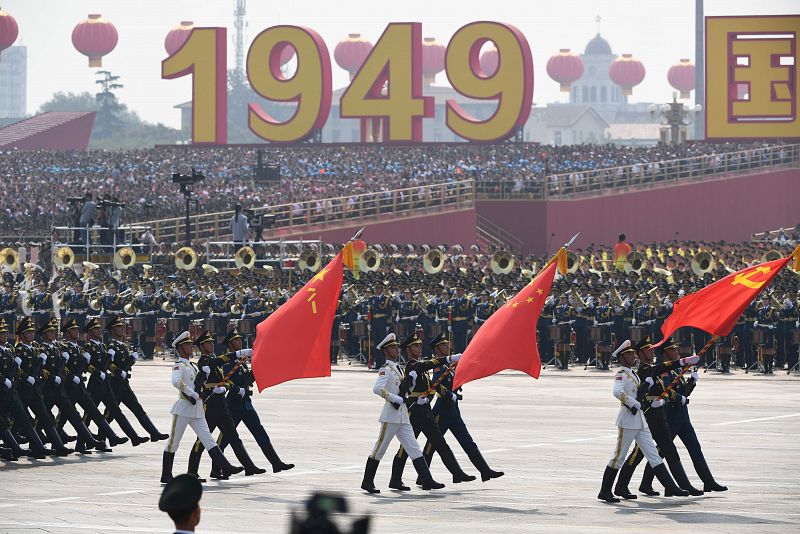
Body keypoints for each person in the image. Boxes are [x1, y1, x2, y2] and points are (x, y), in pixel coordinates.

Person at [612, 337, 704, 498]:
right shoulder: (643, 370)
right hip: (647, 416)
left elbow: (663, 388)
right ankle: (621, 486)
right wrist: (683, 361)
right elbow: (640, 394)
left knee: (668, 450)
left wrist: (679, 393)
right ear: (640, 354)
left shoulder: (652, 369)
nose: (652, 350)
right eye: (648, 349)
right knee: (637, 454)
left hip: (659, 416)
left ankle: (676, 486)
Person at [598, 340, 688, 503]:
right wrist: (632, 402)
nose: (634, 356)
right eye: (630, 354)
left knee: (653, 455)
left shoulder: (632, 374)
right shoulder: (621, 374)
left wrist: (645, 390)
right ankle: (605, 491)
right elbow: (617, 392)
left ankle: (671, 486)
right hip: (627, 420)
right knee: (619, 456)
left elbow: (639, 393)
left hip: (640, 420)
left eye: (633, 353)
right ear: (623, 357)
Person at [637, 339, 728, 493]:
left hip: (683, 417)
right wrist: (679, 397)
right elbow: (666, 392)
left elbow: (683, 394)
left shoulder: (674, 371)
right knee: (662, 452)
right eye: (672, 349)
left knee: (695, 449)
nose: (676, 351)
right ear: (665, 352)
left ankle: (708, 481)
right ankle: (648, 483)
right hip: (670, 417)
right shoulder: (662, 371)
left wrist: (692, 381)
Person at [360, 333, 444, 494]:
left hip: (403, 415)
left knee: (414, 448)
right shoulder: (386, 369)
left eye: (396, 346)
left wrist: (411, 386)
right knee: (380, 448)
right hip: (391, 415)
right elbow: (377, 389)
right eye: (392, 347)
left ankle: (427, 479)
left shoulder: (398, 368)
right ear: (385, 351)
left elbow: (404, 389)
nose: (396, 349)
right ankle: (367, 481)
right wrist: (396, 399)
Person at [390, 332, 475, 490]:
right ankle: (395, 479)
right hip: (414, 413)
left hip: (426, 412)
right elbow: (424, 369)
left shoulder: (419, 365)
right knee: (406, 448)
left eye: (420, 345)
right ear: (408, 350)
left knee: (440, 443)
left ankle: (457, 472)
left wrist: (447, 395)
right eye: (416, 346)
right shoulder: (412, 365)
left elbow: (432, 386)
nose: (419, 348)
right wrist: (449, 359)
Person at [161, 331, 244, 484]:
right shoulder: (179, 366)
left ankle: (225, 466)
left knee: (208, 440)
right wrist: (191, 393)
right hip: (184, 408)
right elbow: (176, 382)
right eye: (187, 345)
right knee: (174, 442)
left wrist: (205, 378)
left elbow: (200, 384)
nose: (191, 347)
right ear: (180, 348)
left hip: (197, 409)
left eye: (191, 344)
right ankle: (166, 475)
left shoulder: (192, 366)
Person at [420, 333, 504, 482]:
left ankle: (485, 471)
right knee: (432, 445)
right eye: (444, 345)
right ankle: (422, 477)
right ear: (437, 349)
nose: (448, 347)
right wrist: (449, 395)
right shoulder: (438, 365)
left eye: (447, 344)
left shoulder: (449, 364)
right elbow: (435, 385)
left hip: (453, 409)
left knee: (467, 441)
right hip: (442, 410)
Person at [186, 329, 265, 481]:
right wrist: (238, 353)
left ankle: (248, 466)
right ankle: (192, 471)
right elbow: (206, 376)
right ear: (201, 347)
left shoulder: (214, 361)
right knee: (202, 440)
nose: (212, 345)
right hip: (210, 407)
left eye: (211, 342)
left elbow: (227, 378)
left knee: (234, 437)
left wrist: (225, 387)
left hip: (222, 404)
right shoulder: (203, 362)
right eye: (208, 343)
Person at [216, 328, 294, 478]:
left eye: (240, 340)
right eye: (236, 341)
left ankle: (276, 463)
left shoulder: (243, 360)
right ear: (230, 345)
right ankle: (217, 467)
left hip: (246, 404)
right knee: (225, 438)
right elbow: (225, 382)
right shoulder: (227, 362)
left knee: (260, 433)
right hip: (233, 406)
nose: (240, 342)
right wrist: (238, 389)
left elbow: (247, 379)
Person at [105, 317, 169, 442]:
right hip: (114, 383)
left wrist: (132, 360)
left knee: (137, 409)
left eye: (122, 327)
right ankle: (101, 438)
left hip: (124, 383)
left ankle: (154, 433)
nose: (121, 329)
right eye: (118, 327)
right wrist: (118, 372)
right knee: (110, 414)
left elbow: (125, 365)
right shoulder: (111, 346)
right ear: (113, 330)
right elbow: (108, 364)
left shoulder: (123, 346)